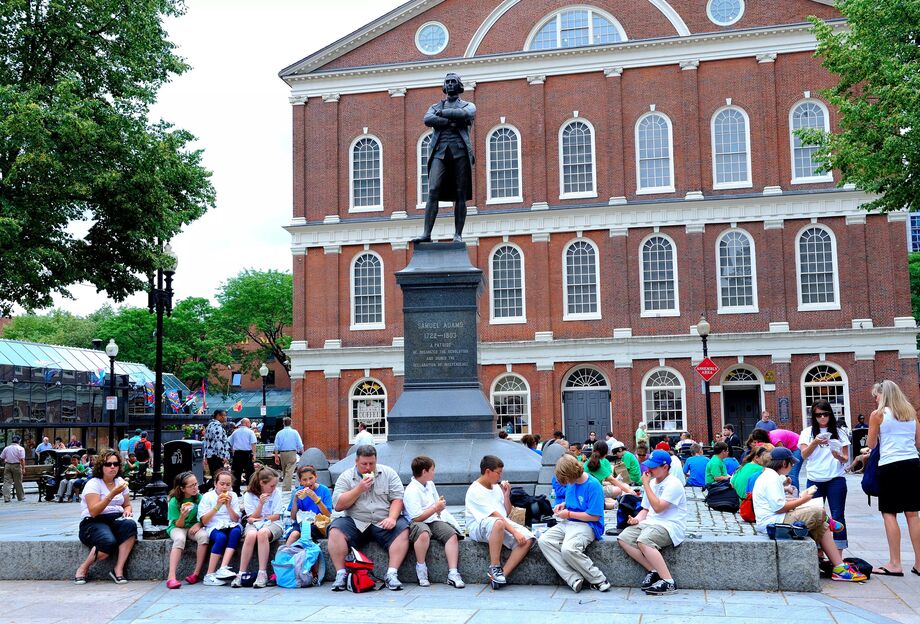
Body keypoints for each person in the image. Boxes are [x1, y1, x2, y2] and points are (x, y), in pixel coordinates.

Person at [752, 447, 865, 582]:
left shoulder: (770, 476)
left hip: (774, 520)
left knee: (821, 524)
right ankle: (829, 520)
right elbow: (779, 507)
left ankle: (839, 567)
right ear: (784, 463)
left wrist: (796, 497)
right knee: (818, 511)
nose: (792, 466)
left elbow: (777, 503)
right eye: (791, 463)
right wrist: (803, 500)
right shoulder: (771, 478)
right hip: (774, 523)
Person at [328, 445, 410, 591]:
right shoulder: (346, 477)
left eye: (371, 464)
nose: (368, 468)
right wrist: (359, 489)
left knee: (403, 528)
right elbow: (338, 505)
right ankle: (341, 574)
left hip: (383, 519)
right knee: (335, 529)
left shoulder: (388, 473)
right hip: (356, 520)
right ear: (356, 461)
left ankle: (392, 573)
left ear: (376, 460)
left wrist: (392, 518)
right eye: (364, 464)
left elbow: (397, 499)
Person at [611, 449, 687, 595]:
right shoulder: (652, 483)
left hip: (670, 525)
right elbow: (646, 509)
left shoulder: (673, 484)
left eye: (653, 467)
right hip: (650, 523)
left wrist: (645, 484)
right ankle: (654, 570)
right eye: (648, 466)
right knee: (624, 538)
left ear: (665, 467)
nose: (649, 469)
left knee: (644, 541)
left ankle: (669, 582)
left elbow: (658, 508)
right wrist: (636, 519)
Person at [414, 72, 476, 243]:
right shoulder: (435, 106)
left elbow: (466, 115)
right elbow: (427, 119)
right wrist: (450, 121)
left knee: (460, 194)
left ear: (459, 85)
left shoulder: (467, 105)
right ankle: (426, 234)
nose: (449, 84)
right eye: (447, 82)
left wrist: (442, 115)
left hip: (460, 152)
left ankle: (458, 234)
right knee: (433, 190)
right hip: (440, 152)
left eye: (453, 82)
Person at [867, 380, 920, 577]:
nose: (875, 399)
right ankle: (919, 563)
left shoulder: (878, 415)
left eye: (876, 396)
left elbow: (871, 444)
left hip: (890, 466)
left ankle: (895, 563)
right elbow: (918, 441)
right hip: (912, 464)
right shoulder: (910, 415)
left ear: (883, 395)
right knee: (912, 514)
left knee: (889, 513)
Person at [538, 454, 610, 593]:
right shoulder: (572, 483)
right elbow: (574, 502)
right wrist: (564, 506)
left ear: (571, 474)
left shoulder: (593, 485)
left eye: (565, 479)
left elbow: (594, 516)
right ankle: (573, 578)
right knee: (544, 540)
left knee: (569, 549)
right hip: (569, 522)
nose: (565, 483)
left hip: (588, 524)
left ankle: (599, 579)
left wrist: (569, 514)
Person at [465, 455, 535, 589]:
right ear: (488, 471)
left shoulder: (496, 487)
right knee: (498, 522)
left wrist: (506, 494)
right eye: (498, 473)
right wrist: (514, 532)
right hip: (478, 526)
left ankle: (500, 576)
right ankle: (494, 567)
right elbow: (495, 515)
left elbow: (506, 513)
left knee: (528, 538)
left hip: (499, 523)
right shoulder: (475, 490)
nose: (500, 476)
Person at [73, 450, 136, 584]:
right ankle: (83, 568)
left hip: (115, 519)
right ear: (101, 466)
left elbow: (127, 505)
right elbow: (94, 511)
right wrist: (112, 493)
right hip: (94, 521)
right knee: (108, 542)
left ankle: (118, 569)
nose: (112, 467)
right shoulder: (94, 483)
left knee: (130, 525)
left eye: (115, 464)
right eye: (108, 464)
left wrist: (127, 511)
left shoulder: (120, 482)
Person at [403, 456, 465, 588]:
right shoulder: (411, 490)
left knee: (451, 535)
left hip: (432, 519)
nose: (434, 472)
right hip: (418, 522)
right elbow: (416, 518)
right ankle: (421, 569)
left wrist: (439, 508)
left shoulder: (430, 484)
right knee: (423, 534)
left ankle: (453, 573)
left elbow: (436, 504)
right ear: (424, 471)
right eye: (432, 470)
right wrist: (435, 508)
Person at [799, 400, 850, 552]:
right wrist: (814, 443)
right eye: (818, 415)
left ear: (830, 414)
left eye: (825, 414)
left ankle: (839, 555)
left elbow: (846, 458)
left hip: (836, 478)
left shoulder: (839, 432)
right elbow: (804, 455)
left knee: (838, 515)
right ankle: (819, 553)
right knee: (815, 517)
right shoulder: (807, 433)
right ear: (813, 417)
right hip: (814, 480)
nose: (822, 418)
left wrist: (838, 456)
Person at [234, 467, 284, 588]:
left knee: (262, 533)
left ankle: (262, 572)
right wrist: (260, 504)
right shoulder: (249, 495)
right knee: (251, 535)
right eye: (271, 486)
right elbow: (251, 516)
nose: (274, 488)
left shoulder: (276, 493)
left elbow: (276, 515)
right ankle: (241, 572)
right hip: (254, 524)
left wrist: (261, 519)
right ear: (262, 483)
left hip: (273, 523)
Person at [197, 468, 242, 586]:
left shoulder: (233, 496)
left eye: (228, 484)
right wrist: (217, 505)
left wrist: (228, 506)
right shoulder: (207, 496)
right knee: (221, 538)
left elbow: (236, 519)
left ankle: (223, 567)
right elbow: (205, 521)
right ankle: (209, 574)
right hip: (213, 526)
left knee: (236, 532)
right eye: (222, 484)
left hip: (230, 523)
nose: (225, 487)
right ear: (215, 483)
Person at [166, 471, 209, 589]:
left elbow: (205, 517)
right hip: (178, 526)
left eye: (196, 484)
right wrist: (183, 516)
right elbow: (178, 524)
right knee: (179, 539)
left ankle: (196, 573)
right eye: (191, 486)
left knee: (204, 537)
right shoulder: (174, 501)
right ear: (182, 488)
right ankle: (171, 576)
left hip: (193, 526)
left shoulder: (199, 498)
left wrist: (199, 524)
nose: (195, 487)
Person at [287, 465, 333, 544]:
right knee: (294, 534)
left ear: (316, 477)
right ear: (300, 481)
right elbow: (293, 517)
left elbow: (328, 514)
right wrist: (295, 501)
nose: (308, 482)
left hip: (318, 524)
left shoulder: (324, 490)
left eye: (311, 478)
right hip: (302, 523)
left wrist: (316, 499)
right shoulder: (297, 492)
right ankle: (284, 554)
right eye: (304, 480)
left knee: (307, 532)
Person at [272, 417, 304, 492]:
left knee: (285, 470)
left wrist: (276, 456)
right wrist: (303, 454)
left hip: (282, 453)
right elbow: (300, 444)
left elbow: (276, 446)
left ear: (283, 423)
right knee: (289, 471)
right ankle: (286, 488)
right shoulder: (294, 432)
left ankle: (286, 486)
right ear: (291, 423)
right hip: (292, 452)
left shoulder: (279, 433)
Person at [228, 418, 257, 495]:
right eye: (249, 422)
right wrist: (254, 454)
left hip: (237, 454)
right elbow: (253, 443)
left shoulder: (235, 432)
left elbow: (230, 442)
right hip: (247, 454)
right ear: (247, 423)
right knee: (250, 473)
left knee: (236, 473)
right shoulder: (250, 432)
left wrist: (233, 451)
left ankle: (236, 491)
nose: (250, 424)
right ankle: (250, 489)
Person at [203, 410, 231, 478]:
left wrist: (205, 456)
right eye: (224, 415)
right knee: (218, 476)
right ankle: (203, 488)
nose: (225, 417)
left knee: (215, 476)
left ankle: (205, 487)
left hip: (211, 455)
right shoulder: (217, 427)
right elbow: (219, 443)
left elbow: (206, 442)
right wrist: (223, 456)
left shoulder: (210, 425)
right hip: (217, 456)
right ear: (218, 416)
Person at [2, 435, 27, 503]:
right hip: (16, 465)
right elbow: (22, 459)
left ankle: (7, 498)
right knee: (18, 482)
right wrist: (23, 468)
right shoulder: (20, 448)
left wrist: (5, 461)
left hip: (7, 465)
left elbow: (2, 457)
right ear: (19, 441)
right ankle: (21, 497)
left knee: (7, 482)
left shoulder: (6, 448)